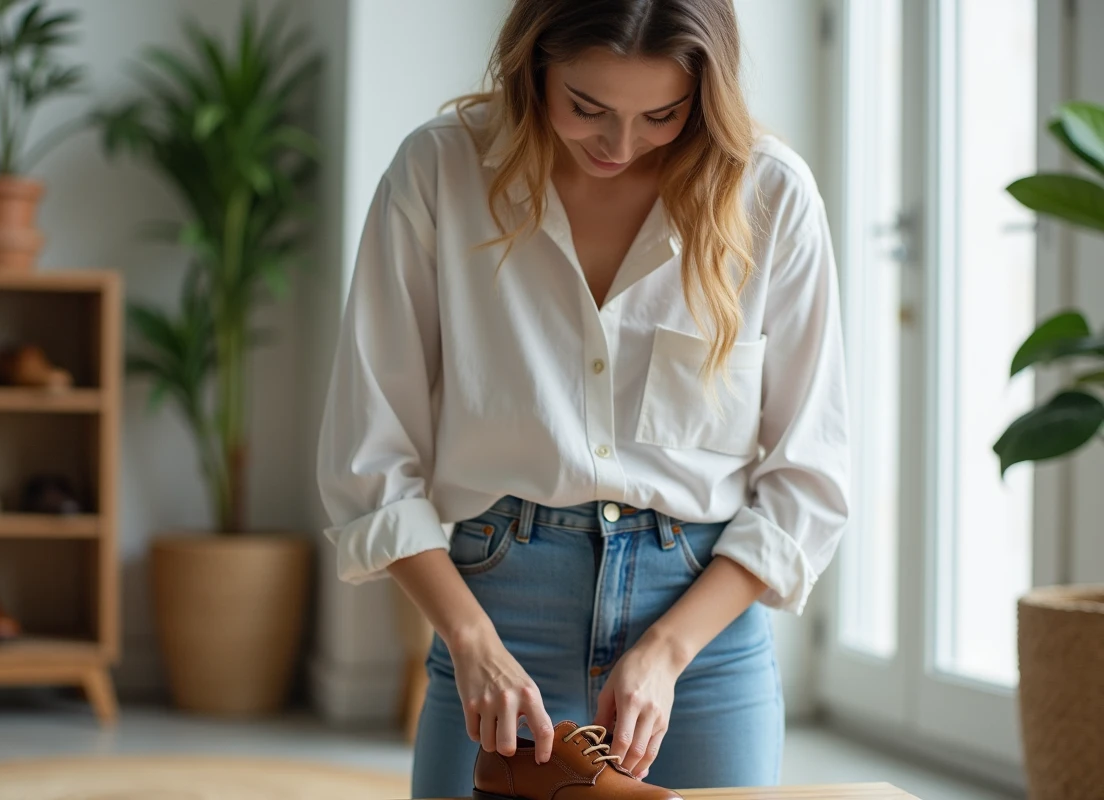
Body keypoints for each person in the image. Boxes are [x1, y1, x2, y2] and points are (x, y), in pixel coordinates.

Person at [316, 0, 850, 796]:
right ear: (535, 66)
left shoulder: (770, 195)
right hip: (498, 609)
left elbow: (808, 474)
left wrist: (669, 651)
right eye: (586, 107)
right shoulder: (439, 173)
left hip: (704, 633)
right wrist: (471, 643)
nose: (620, 144)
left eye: (662, 115)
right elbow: (372, 450)